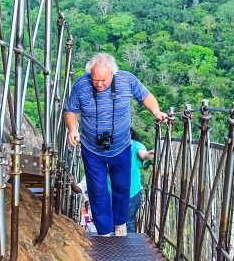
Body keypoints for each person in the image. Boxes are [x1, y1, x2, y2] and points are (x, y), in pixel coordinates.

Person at [65, 52, 166, 236]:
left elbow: (146, 96)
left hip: (121, 147)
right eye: (95, 80)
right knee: (97, 190)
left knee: (121, 187)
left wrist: (156, 112)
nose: (99, 84)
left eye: (103, 80)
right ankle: (104, 233)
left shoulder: (127, 80)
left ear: (113, 72)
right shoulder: (81, 85)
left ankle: (120, 227)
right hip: (92, 149)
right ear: (90, 75)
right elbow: (71, 110)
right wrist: (72, 129)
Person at [125, 128, 154, 233]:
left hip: (132, 191)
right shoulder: (111, 144)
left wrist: (149, 154)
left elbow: (143, 154)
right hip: (112, 190)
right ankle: (113, 245)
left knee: (129, 221)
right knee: (114, 220)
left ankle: (128, 247)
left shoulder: (135, 146)